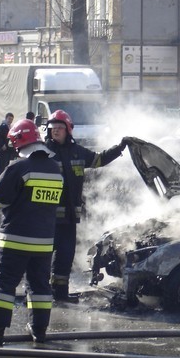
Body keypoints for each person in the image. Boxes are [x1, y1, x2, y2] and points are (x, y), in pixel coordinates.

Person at [0, 119, 64, 345]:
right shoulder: (55, 169)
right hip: (43, 241)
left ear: (18, 142)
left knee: (4, 286)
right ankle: (39, 330)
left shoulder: (18, 167)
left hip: (15, 239)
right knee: (40, 286)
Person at [45, 109, 130, 303]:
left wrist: (119, 148)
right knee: (41, 258)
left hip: (69, 218)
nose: (55, 132)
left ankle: (60, 293)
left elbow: (99, 159)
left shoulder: (77, 151)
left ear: (68, 130)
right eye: (52, 128)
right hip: (47, 217)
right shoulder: (43, 152)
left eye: (59, 128)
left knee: (65, 257)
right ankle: (37, 292)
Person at [0, 112, 17, 177]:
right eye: (9, 119)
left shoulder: (11, 128)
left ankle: (4, 180)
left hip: (9, 150)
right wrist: (2, 145)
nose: (10, 121)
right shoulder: (2, 127)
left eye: (11, 119)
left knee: (7, 167)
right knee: (2, 166)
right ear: (6, 118)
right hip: (4, 150)